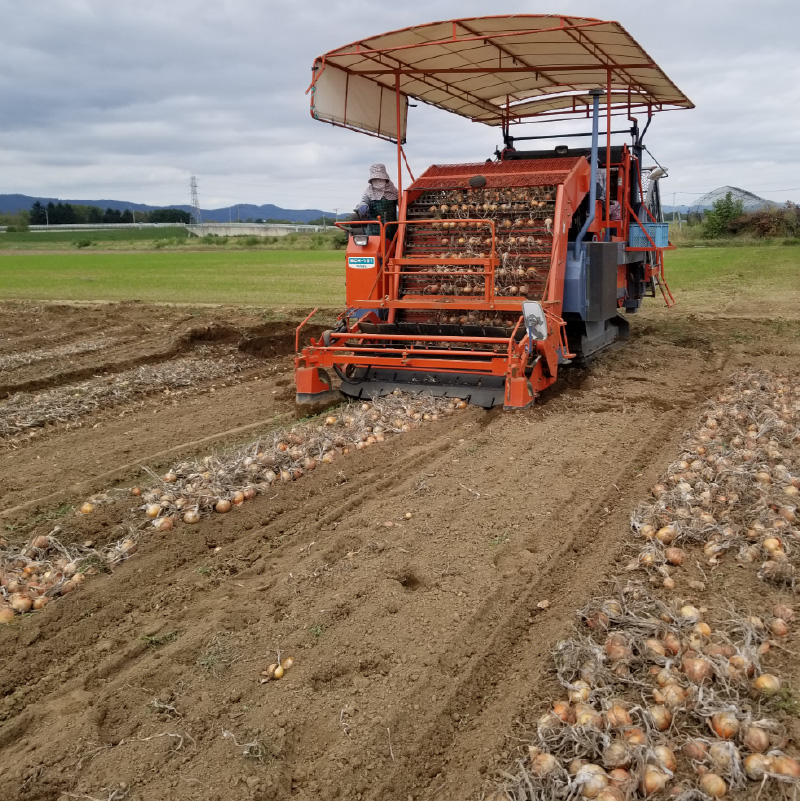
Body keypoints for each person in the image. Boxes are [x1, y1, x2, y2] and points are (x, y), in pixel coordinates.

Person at [355, 163, 399, 237]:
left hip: (392, 229)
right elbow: (364, 201)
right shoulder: (368, 192)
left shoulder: (394, 191)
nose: (378, 182)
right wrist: (363, 205)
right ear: (371, 181)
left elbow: (402, 204)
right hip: (373, 230)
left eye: (380, 179)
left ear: (386, 179)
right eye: (375, 180)